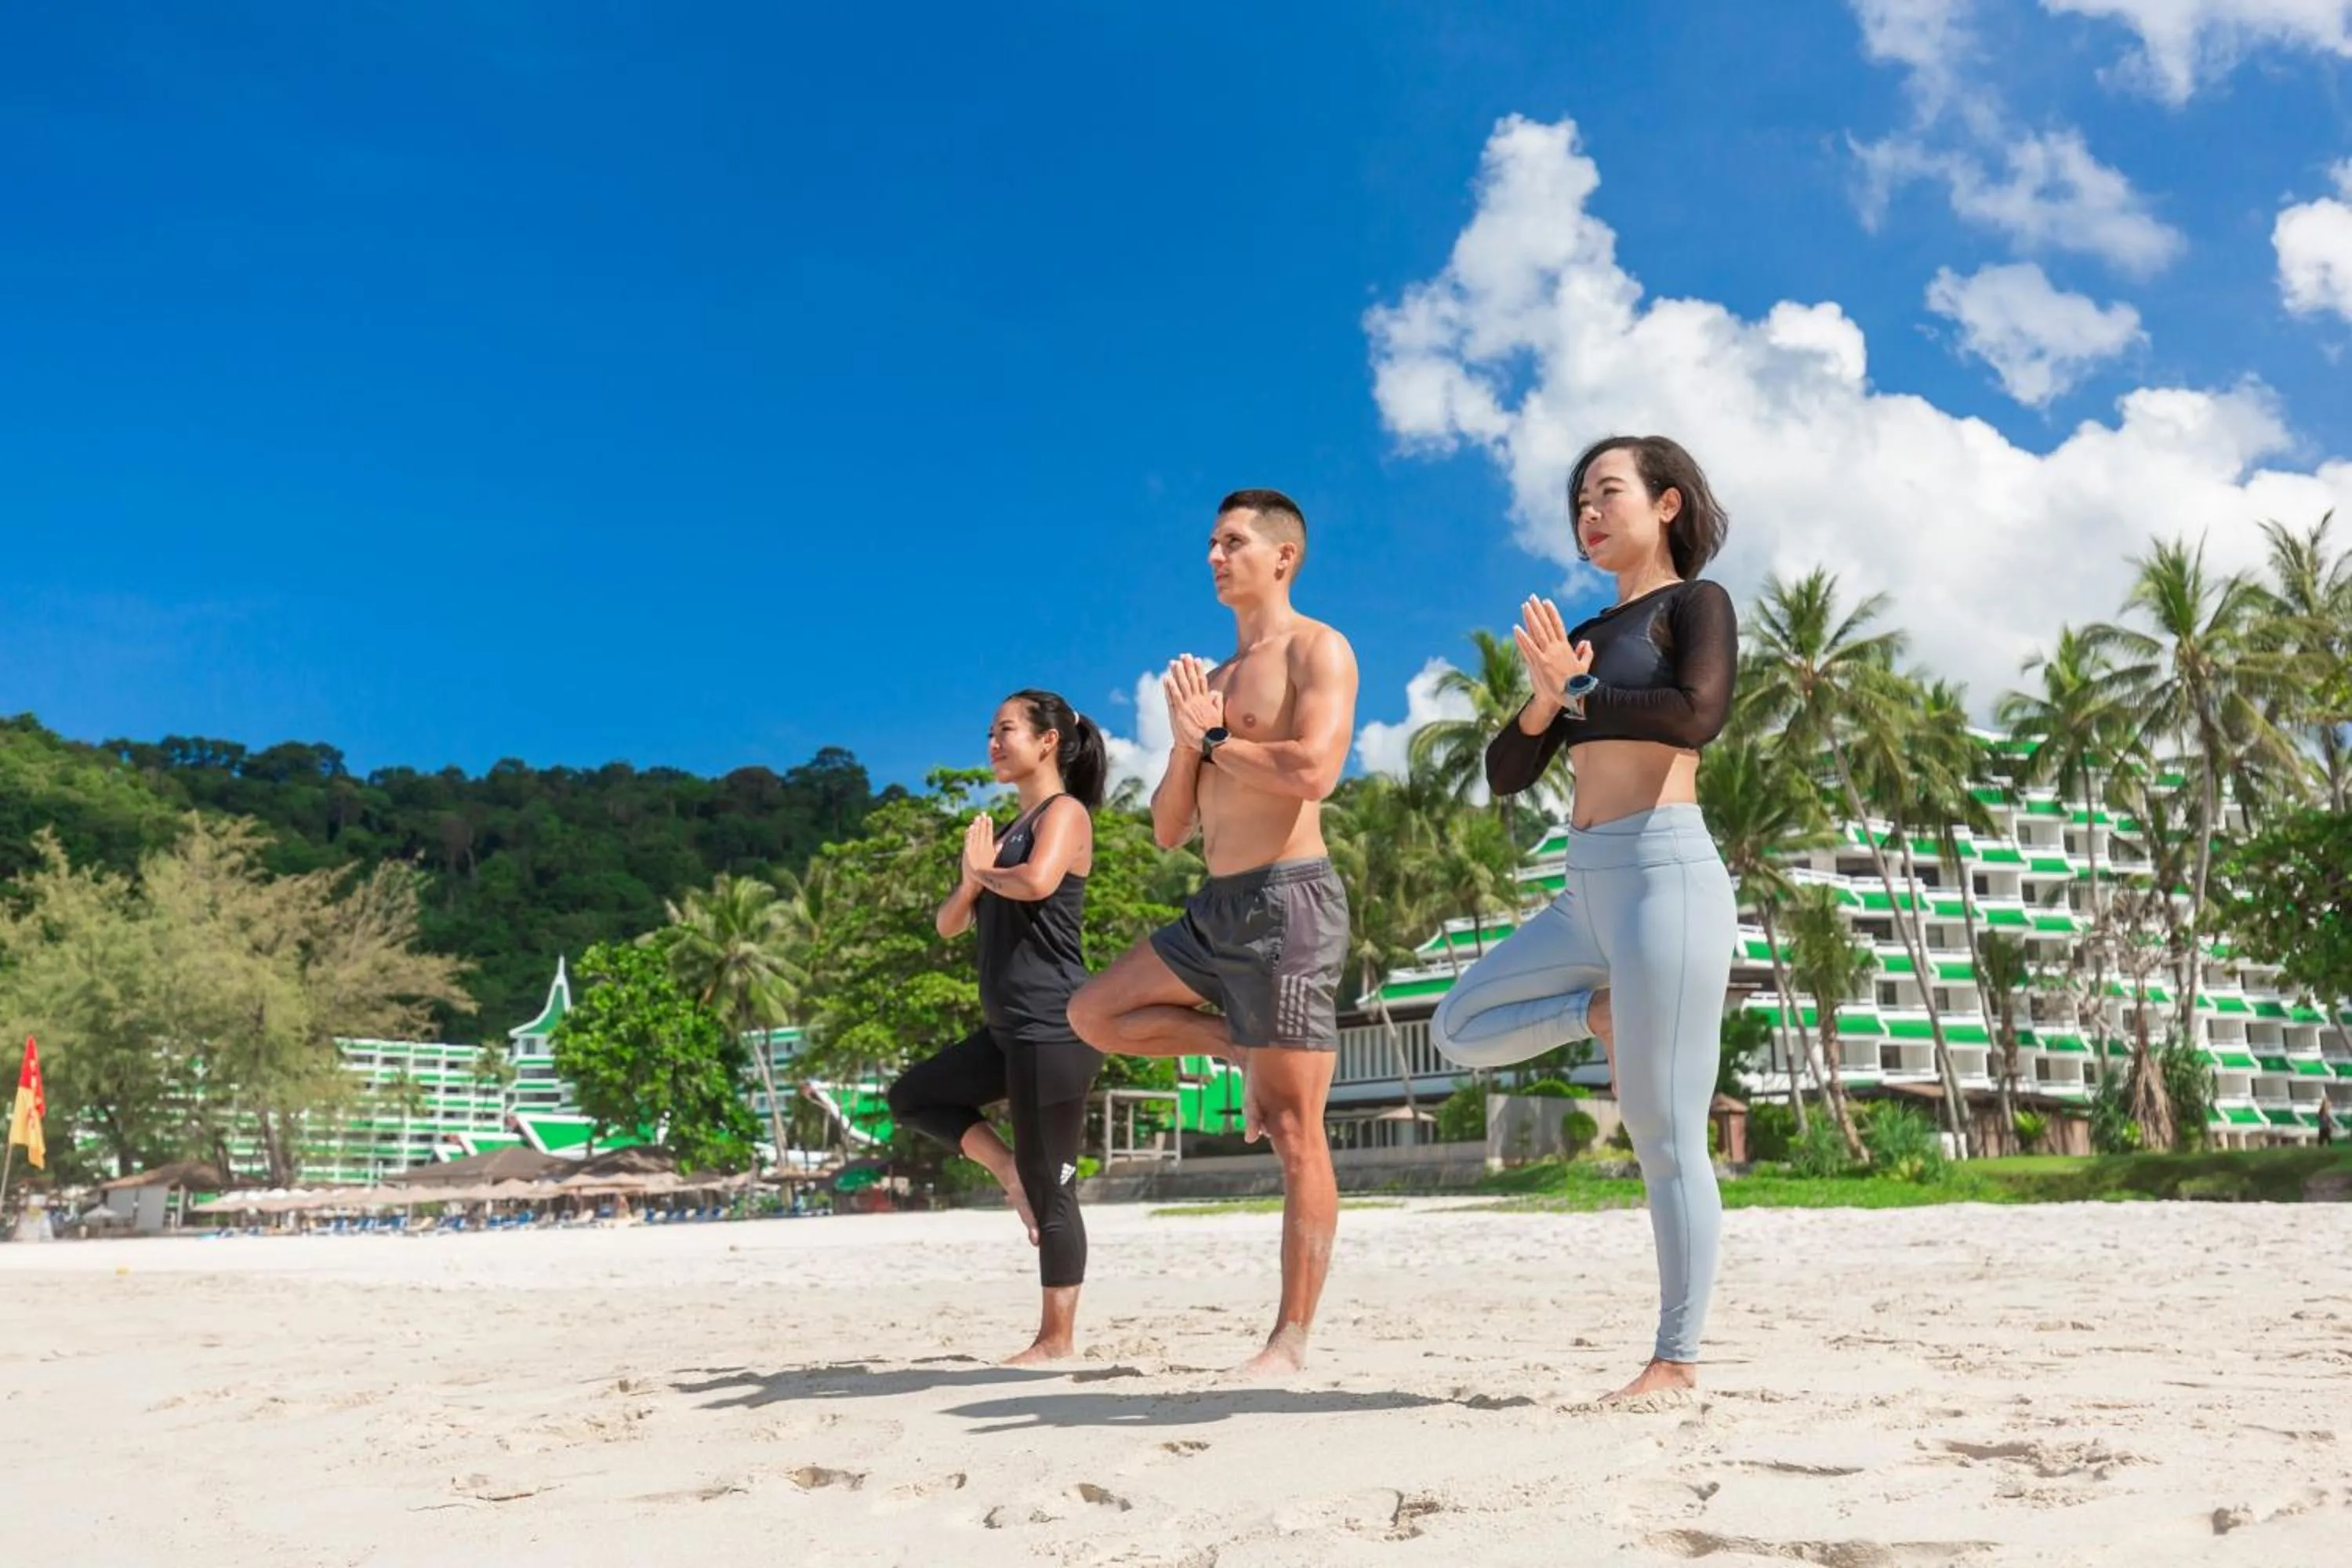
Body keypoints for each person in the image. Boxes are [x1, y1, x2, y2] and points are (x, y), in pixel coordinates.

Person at [1428, 434, 1739, 1407]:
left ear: (1670, 502)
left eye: (1608, 492)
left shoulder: (1697, 605)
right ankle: (1594, 1014)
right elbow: (1507, 774)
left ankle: (1676, 1356)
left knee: (1661, 1125)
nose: (1588, 513)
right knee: (1459, 1025)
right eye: (1578, 502)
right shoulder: (1585, 640)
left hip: (1666, 875)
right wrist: (1543, 701)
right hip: (1585, 885)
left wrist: (1583, 691)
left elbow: (1697, 714)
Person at [1068, 489, 1357, 1379]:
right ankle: (1235, 1042)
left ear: (1283, 556)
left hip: (1289, 902)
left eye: (1232, 541)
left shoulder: (1318, 647)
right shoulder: (1214, 685)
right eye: (1210, 543)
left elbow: (1316, 769)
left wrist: (1218, 738)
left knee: (1290, 1126)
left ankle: (1291, 1340)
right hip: (1213, 908)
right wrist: (1190, 739)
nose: (1214, 556)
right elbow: (1165, 826)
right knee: (1094, 1013)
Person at [885, 689, 1109, 1365]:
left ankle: (1056, 1339)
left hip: (1054, 1027)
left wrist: (986, 870)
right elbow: (948, 923)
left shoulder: (1065, 813)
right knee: (912, 1096)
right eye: (988, 730)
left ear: (1048, 742)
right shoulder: (1003, 834)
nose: (992, 742)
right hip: (1007, 1031)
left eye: (1005, 730)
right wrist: (971, 878)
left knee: (1057, 1184)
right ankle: (1006, 1170)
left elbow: (1039, 883)